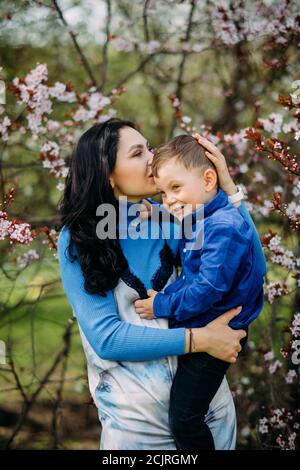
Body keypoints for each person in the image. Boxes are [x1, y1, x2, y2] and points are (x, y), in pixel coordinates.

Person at [57, 118, 253, 450]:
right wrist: (200, 339)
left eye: (149, 147)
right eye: (137, 153)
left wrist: (230, 189)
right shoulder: (79, 239)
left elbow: (247, 260)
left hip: (207, 419)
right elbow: (108, 338)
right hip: (136, 430)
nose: (152, 157)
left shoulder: (170, 217)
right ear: (107, 173)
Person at [134, 134, 266, 450]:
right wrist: (158, 210)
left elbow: (208, 288)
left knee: (185, 418)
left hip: (218, 328)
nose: (168, 199)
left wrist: (162, 305)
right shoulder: (205, 214)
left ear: (209, 180)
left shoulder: (224, 226)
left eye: (175, 188)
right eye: (163, 192)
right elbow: (187, 216)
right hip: (206, 322)